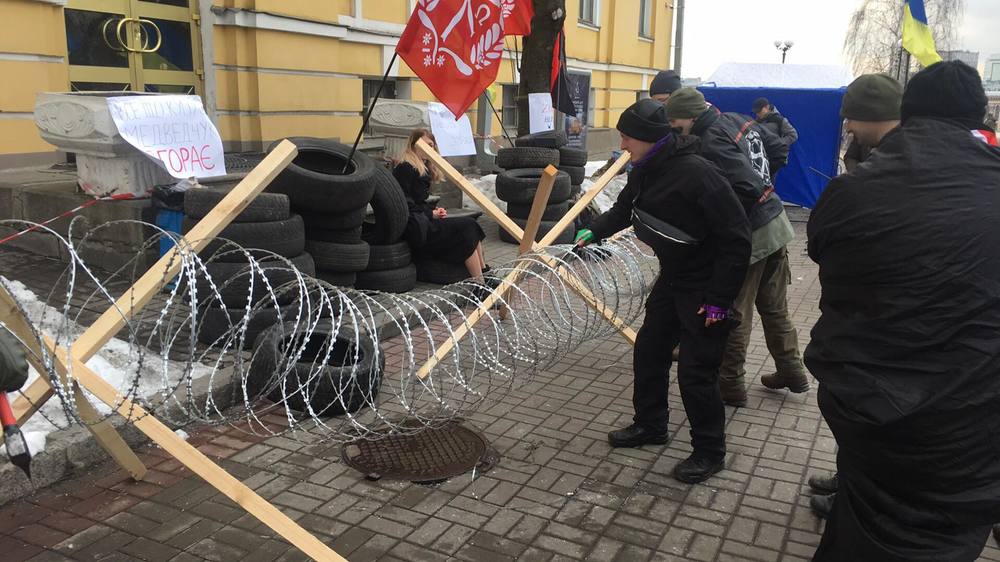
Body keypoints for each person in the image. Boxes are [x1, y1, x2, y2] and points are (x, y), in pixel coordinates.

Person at [806, 60, 1000, 561]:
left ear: (908, 111)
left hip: (875, 406)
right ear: (978, 115)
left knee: (882, 525)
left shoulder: (854, 189)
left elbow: (823, 251)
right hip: (975, 418)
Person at [575, 99, 751, 484]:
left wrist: (719, 302)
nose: (622, 145)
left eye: (627, 137)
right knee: (650, 349)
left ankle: (709, 451)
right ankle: (651, 424)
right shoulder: (644, 169)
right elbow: (624, 209)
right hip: (673, 277)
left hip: (706, 287)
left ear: (649, 138)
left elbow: (737, 240)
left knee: (696, 371)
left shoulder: (699, 175)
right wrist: (595, 230)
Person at [665, 88, 809, 407]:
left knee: (734, 310)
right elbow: (779, 148)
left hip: (752, 233)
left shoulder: (710, 141)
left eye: (675, 122)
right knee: (774, 306)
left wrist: (727, 222)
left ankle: (730, 384)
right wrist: (767, 184)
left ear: (691, 117)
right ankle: (792, 370)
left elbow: (744, 187)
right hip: (777, 222)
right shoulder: (736, 120)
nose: (673, 129)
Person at [805, 72, 903, 519]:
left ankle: (856, 499)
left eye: (852, 118)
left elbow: (821, 241)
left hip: (881, 316)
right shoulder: (875, 153)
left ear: (874, 116)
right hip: (873, 312)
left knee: (871, 418)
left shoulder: (895, 168)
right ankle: (849, 480)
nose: (846, 126)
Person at [393, 129, 489, 289]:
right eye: (425, 144)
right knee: (465, 228)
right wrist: (430, 213)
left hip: (423, 220)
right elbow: (404, 205)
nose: (429, 148)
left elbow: (418, 202)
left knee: (470, 224)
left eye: (431, 145)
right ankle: (479, 284)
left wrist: (434, 211)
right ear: (414, 145)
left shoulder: (422, 167)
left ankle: (485, 274)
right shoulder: (406, 168)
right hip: (415, 228)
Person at [589, 70, 683, 181]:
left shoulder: (689, 162)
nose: (659, 108)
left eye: (661, 101)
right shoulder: (643, 159)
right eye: (654, 102)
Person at [752, 98, 798, 176]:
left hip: (774, 158)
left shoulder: (779, 120)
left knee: (767, 180)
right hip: (761, 157)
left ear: (767, 107)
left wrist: (779, 143)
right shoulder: (757, 122)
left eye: (759, 111)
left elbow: (793, 135)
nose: (758, 114)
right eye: (756, 112)